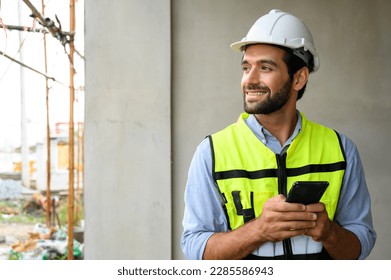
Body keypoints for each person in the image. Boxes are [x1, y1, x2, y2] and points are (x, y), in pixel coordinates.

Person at [181, 9, 376, 260]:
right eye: (246, 67)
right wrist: (259, 230)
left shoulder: (340, 149)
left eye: (265, 67)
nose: (249, 80)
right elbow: (197, 251)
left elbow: (361, 244)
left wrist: (328, 233)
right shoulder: (212, 153)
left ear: (299, 78)